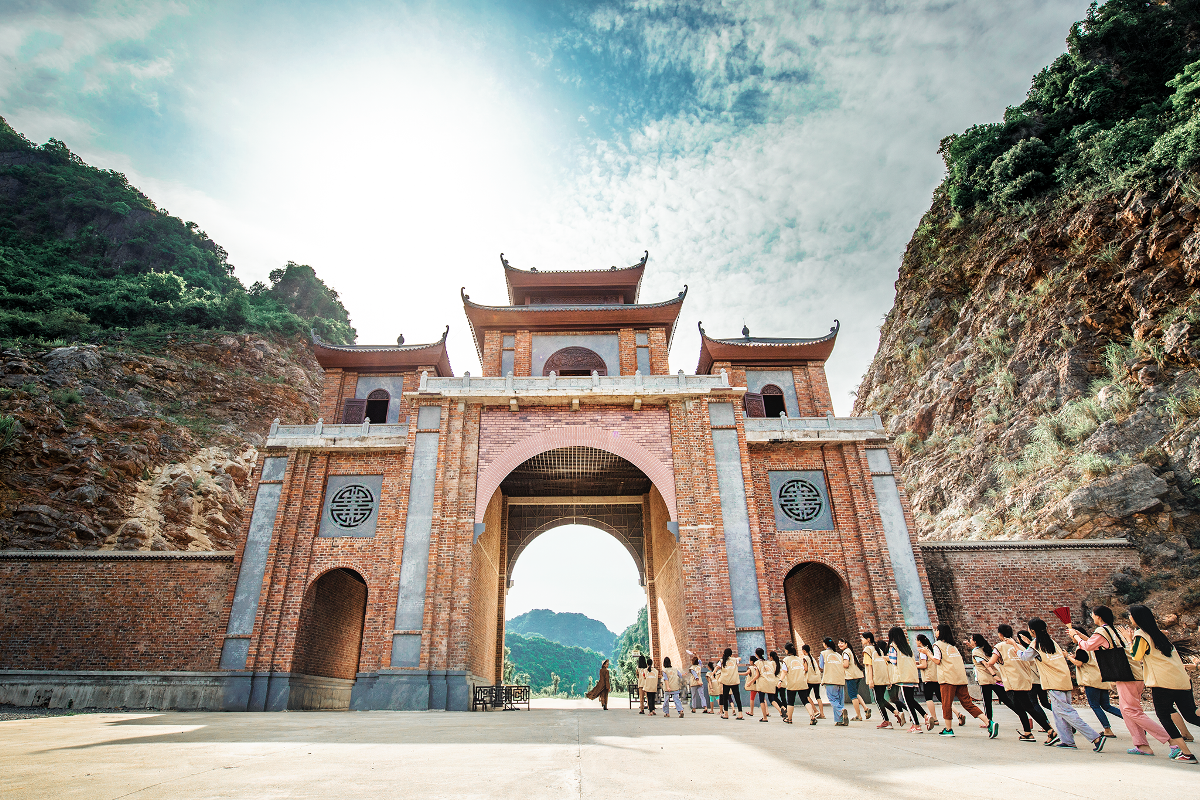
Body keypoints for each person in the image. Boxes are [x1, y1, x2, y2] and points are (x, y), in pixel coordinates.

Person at [1068, 604, 1174, 757]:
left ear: (1098, 616)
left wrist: (1075, 636)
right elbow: (1096, 642)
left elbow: (1088, 645)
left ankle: (1172, 741)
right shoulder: (1113, 630)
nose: (1092, 617)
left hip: (1126, 675)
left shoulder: (1101, 631)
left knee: (1132, 711)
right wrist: (1079, 634)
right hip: (1132, 674)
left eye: (1093, 614)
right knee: (1127, 710)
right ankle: (1141, 745)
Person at [1120, 604, 1199, 764]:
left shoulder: (1141, 635)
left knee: (1164, 715)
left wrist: (1129, 640)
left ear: (1137, 618)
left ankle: (1186, 753)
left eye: (1130, 615)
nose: (1129, 617)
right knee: (1190, 715)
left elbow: (1136, 656)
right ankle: (1184, 751)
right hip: (1181, 680)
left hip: (1163, 683)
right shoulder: (1159, 634)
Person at [1017, 618, 1105, 752]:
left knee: (1066, 712)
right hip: (1064, 681)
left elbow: (1024, 656)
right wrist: (1029, 643)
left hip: (1053, 683)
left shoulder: (1036, 644)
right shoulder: (1051, 642)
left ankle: (1095, 737)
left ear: (1032, 630)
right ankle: (1067, 741)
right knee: (1059, 713)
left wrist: (1015, 646)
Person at [992, 623, 1055, 743]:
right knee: (1020, 707)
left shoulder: (999, 647)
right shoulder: (1020, 647)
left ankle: (1049, 730)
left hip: (1013, 682)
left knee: (1029, 707)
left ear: (1000, 634)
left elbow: (991, 661)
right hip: (1024, 681)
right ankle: (1027, 732)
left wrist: (988, 666)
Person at [932, 623, 997, 738]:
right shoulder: (953, 646)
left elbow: (937, 660)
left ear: (940, 632)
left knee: (946, 704)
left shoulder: (937, 645)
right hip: (960, 678)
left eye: (937, 630)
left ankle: (948, 729)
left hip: (947, 678)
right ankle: (988, 722)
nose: (936, 632)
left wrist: (927, 653)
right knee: (968, 703)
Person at [1067, 647, 1118, 738]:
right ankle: (1135, 723)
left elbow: (1079, 663)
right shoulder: (1095, 646)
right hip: (1102, 678)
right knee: (1107, 706)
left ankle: (1107, 729)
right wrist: (1075, 657)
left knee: (1095, 705)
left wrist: (1068, 656)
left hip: (1091, 681)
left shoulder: (1081, 647)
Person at [887, 626, 924, 733]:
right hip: (912, 676)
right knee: (910, 700)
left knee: (908, 702)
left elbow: (893, 661)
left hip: (903, 677)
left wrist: (887, 657)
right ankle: (922, 718)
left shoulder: (893, 646)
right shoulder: (907, 647)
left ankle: (916, 725)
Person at [970, 634, 1010, 725]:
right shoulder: (984, 649)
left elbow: (985, 664)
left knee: (987, 702)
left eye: (971, 639)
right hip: (994, 680)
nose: (970, 641)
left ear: (975, 641)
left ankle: (988, 722)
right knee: (1006, 699)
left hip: (985, 680)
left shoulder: (975, 652)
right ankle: (1022, 714)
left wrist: (994, 675)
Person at [863, 632, 900, 729]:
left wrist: (870, 680)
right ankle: (896, 713)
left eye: (863, 638)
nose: (862, 640)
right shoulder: (878, 649)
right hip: (883, 677)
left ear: (868, 639)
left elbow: (869, 666)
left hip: (875, 677)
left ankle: (887, 720)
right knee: (881, 699)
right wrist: (888, 679)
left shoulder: (867, 650)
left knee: (878, 700)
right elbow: (885, 664)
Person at [1017, 629, 1052, 712]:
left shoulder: (1025, 651)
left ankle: (1045, 720)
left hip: (1032, 680)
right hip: (1040, 679)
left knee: (1033, 703)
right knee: (1045, 703)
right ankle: (1061, 713)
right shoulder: (1035, 648)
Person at [838, 638, 871, 722]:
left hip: (851, 676)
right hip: (858, 675)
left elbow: (846, 664)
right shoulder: (850, 651)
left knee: (853, 696)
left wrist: (838, 664)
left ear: (846, 644)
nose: (840, 644)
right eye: (839, 643)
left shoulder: (845, 652)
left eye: (842, 643)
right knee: (855, 693)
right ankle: (866, 708)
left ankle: (858, 715)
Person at [915, 634, 942, 731]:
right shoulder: (929, 649)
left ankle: (935, 719)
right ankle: (958, 714)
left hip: (928, 677)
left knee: (928, 698)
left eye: (916, 640)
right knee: (942, 698)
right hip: (935, 677)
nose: (916, 642)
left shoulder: (923, 651)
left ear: (919, 641)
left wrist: (914, 667)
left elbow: (924, 665)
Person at [819, 637, 848, 726]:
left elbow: (821, 666)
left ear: (825, 644)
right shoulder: (838, 655)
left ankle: (841, 710)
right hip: (840, 679)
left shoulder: (823, 653)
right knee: (840, 700)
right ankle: (840, 720)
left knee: (832, 699)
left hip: (830, 679)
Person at [782, 642, 808, 725]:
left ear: (787, 650)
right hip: (802, 682)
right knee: (805, 700)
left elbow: (784, 672)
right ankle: (812, 716)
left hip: (792, 683)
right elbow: (804, 669)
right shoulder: (799, 659)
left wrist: (780, 681)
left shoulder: (786, 660)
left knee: (790, 701)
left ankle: (789, 718)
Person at [718, 648, 745, 720]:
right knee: (737, 697)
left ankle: (726, 714)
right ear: (731, 654)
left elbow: (717, 667)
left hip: (726, 681)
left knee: (725, 698)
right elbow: (740, 658)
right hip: (734, 680)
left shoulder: (722, 661)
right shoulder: (734, 660)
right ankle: (740, 713)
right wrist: (733, 657)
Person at [802, 644, 825, 720]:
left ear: (804, 651)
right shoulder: (812, 658)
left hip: (810, 679)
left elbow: (806, 669)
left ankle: (815, 710)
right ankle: (822, 714)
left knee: (806, 695)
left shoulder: (805, 658)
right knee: (818, 696)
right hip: (817, 679)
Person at [754, 648, 778, 721]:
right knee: (772, 699)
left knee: (762, 700)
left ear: (756, 654)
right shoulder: (769, 662)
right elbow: (773, 671)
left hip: (762, 683)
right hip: (770, 682)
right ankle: (781, 711)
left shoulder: (757, 663)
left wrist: (750, 682)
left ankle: (765, 717)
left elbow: (757, 675)